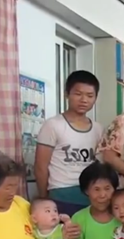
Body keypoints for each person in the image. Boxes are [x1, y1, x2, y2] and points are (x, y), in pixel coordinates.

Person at [35, 70, 103, 216]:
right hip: (61, 195)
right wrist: (43, 198)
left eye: (90, 96)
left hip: (91, 196)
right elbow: (41, 166)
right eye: (78, 94)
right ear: (67, 94)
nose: (84, 100)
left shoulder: (98, 129)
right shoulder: (53, 125)